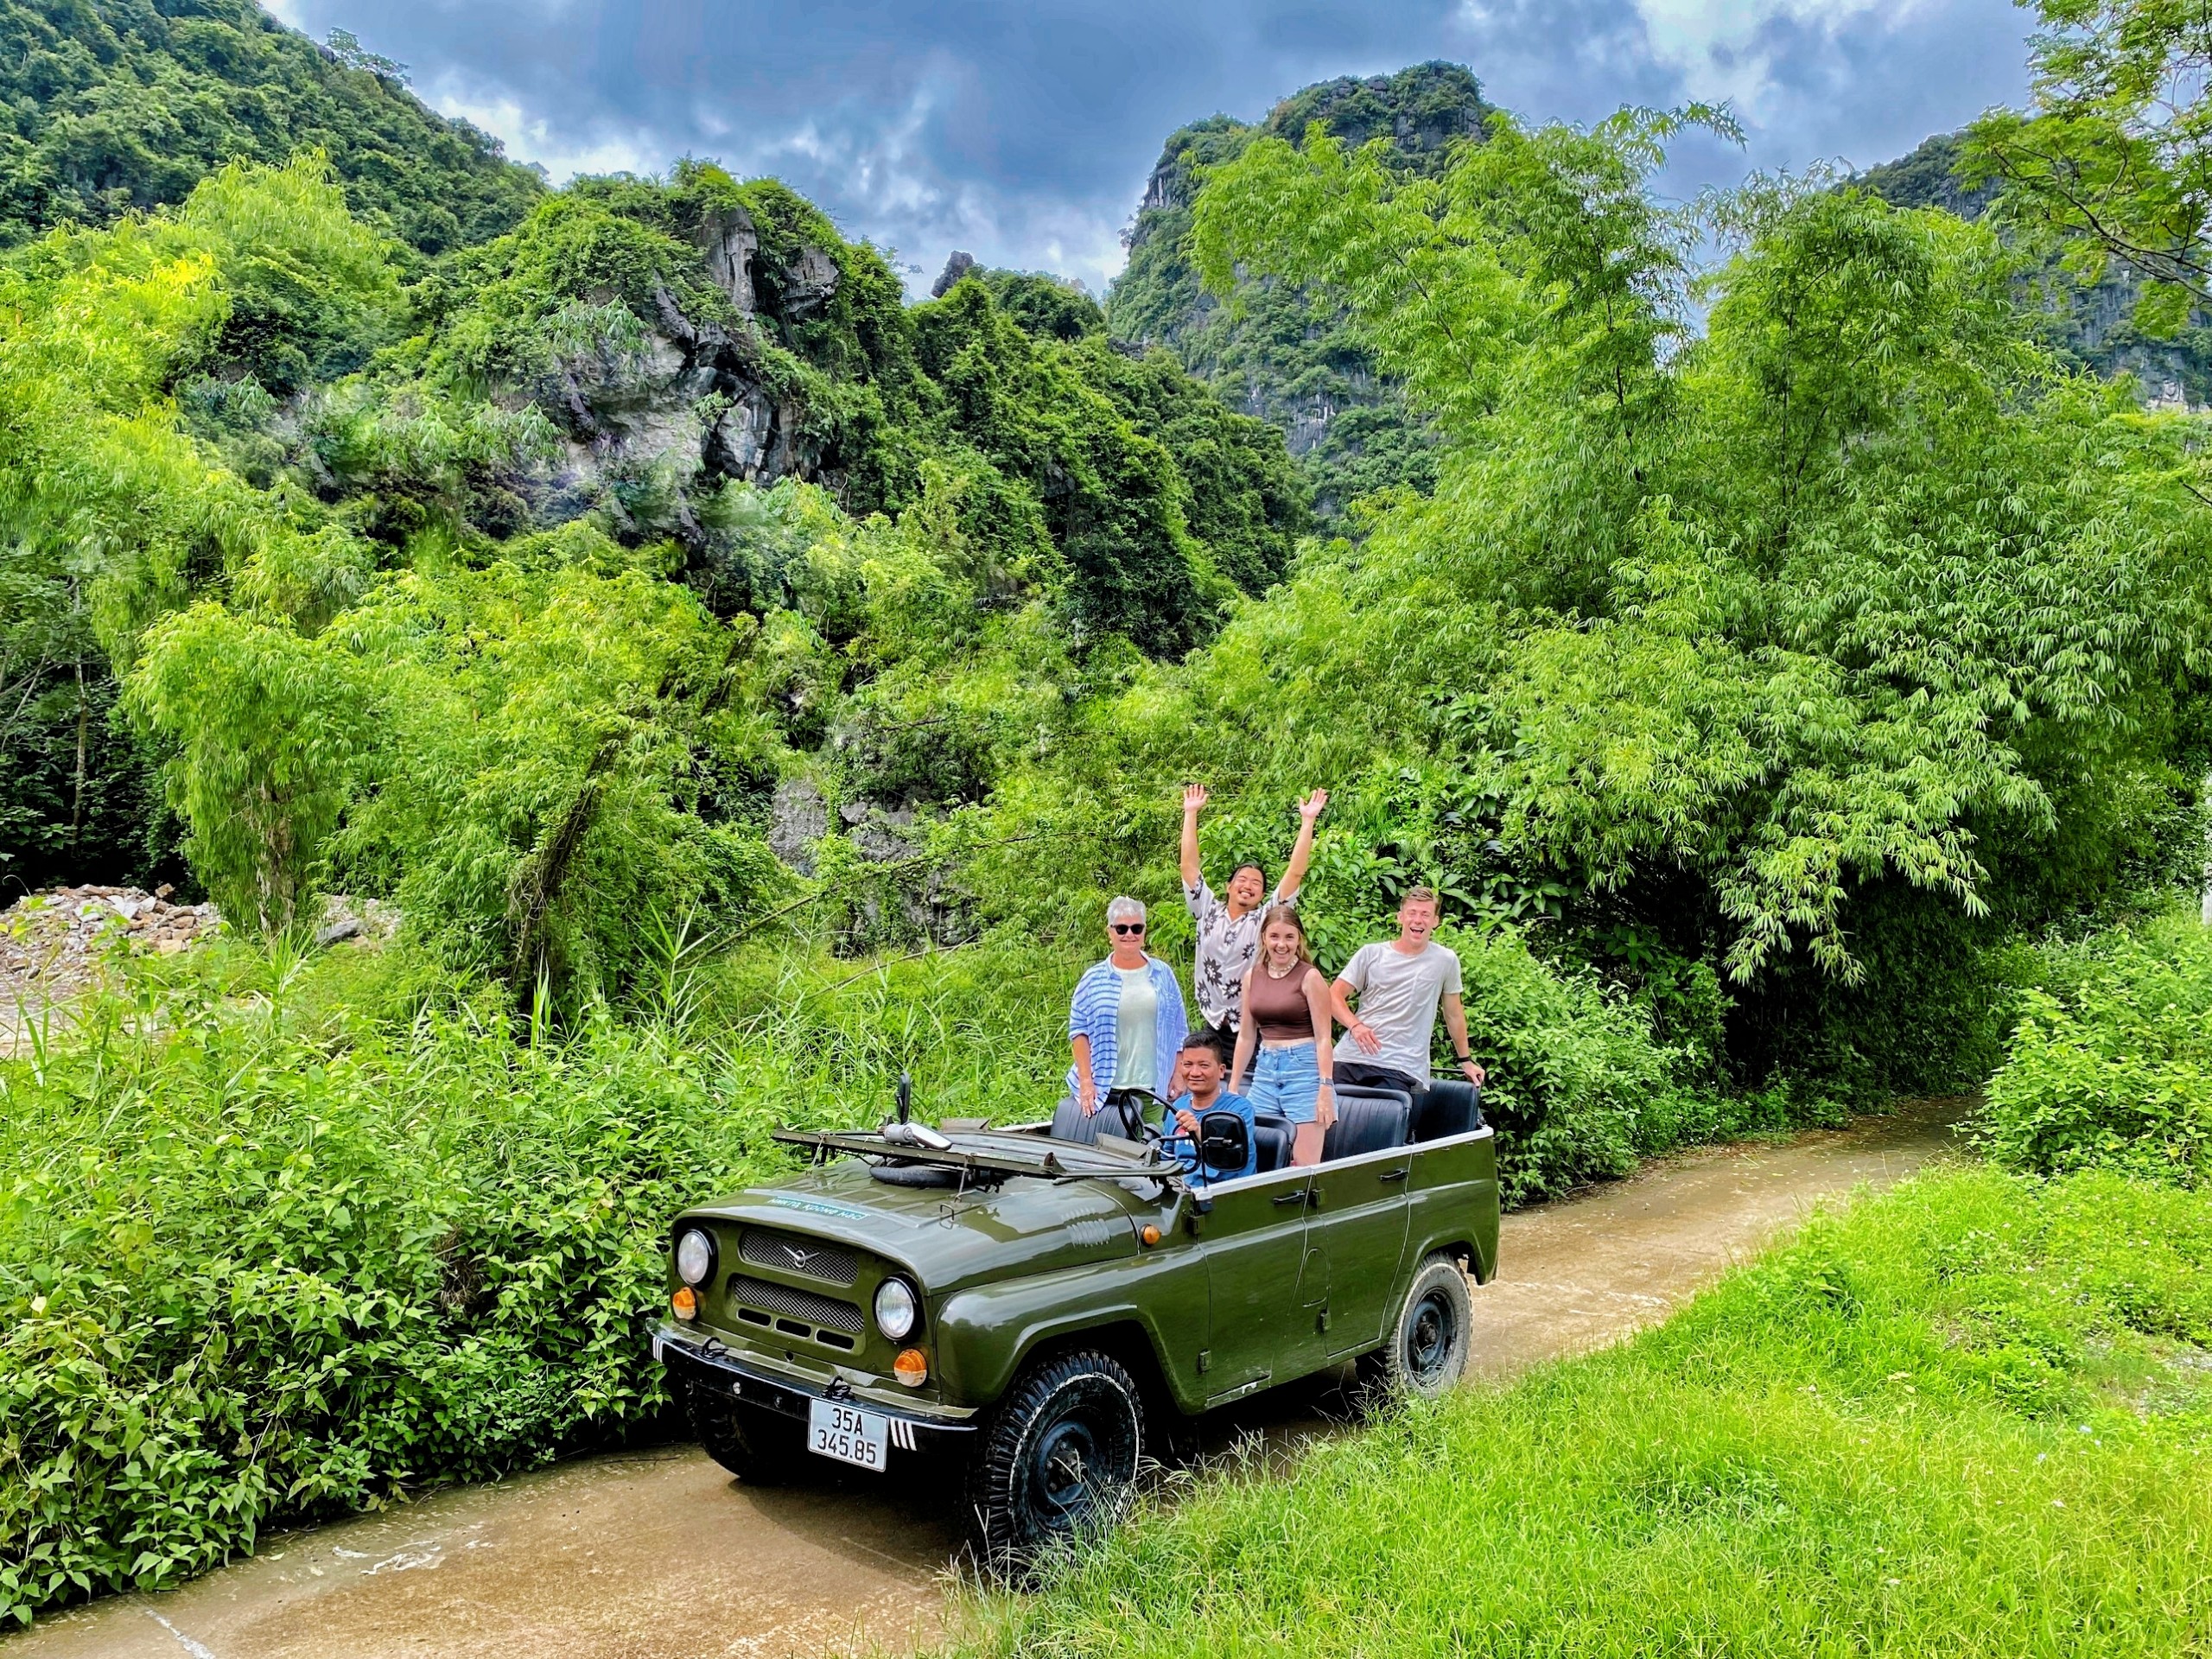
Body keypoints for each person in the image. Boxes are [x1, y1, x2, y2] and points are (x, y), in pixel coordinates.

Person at [1180, 784, 1328, 1062]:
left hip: (1251, 1028)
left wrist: (1308, 821)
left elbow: (1295, 874)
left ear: (1262, 895)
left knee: (1246, 1098)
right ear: (1228, 886)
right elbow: (1189, 867)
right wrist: (1190, 814)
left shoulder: (1264, 920)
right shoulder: (1207, 909)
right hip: (1211, 1023)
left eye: (1256, 883)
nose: (1248, 886)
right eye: (1242, 880)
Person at [1330, 888, 1487, 1101]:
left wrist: (1466, 1060)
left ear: (1435, 921)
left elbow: (1454, 1014)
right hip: (1348, 1058)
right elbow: (1333, 996)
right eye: (1412, 913)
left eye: (1425, 914)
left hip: (1400, 1066)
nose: (1418, 920)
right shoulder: (1371, 953)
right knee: (1322, 1117)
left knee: (1380, 1124)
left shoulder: (1445, 960)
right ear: (1400, 917)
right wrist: (1355, 1026)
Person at [1229, 905, 1337, 1166]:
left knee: (1303, 1164)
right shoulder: (1252, 977)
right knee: (1256, 1153)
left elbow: (1324, 1038)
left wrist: (1325, 1088)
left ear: (1299, 939)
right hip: (1265, 1071)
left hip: (1304, 1071)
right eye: (1275, 936)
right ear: (1264, 937)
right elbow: (1246, 1035)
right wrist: (1233, 1086)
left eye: (1289, 937)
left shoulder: (1310, 977)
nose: (1281, 944)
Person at [1066, 896, 1190, 1119]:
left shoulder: (1163, 974)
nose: (1129, 934)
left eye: (1136, 928)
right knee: (1105, 1150)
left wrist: (1179, 1073)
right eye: (1122, 928)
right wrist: (1086, 1082)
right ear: (1110, 933)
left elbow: (1180, 1030)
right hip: (1104, 1091)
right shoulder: (1092, 979)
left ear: (1144, 932)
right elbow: (1078, 1031)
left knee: (1150, 1148)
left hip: (1153, 1088)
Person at [1160, 1036, 1257, 1184]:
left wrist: (1198, 1132)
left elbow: (1230, 1159)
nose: (1195, 1072)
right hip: (1180, 1190)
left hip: (1222, 1194)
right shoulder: (1178, 1105)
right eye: (1188, 1064)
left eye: (1204, 1065)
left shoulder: (1240, 1109)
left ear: (1221, 1070)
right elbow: (1167, 1158)